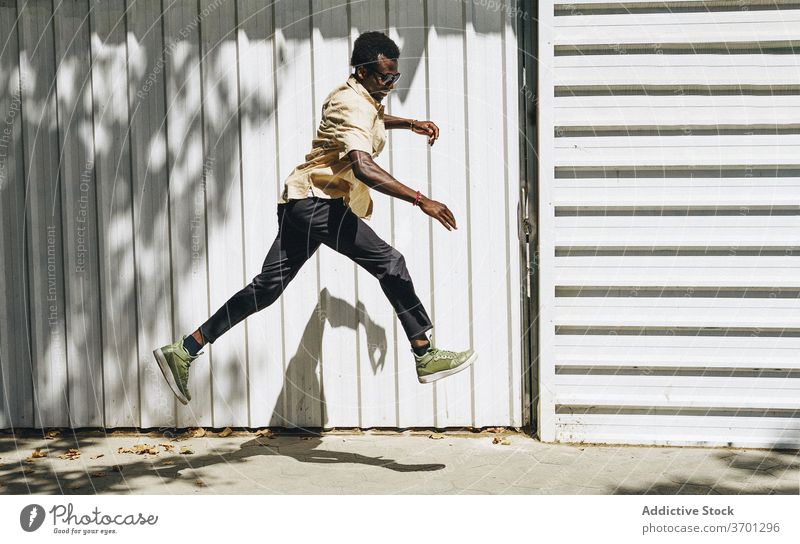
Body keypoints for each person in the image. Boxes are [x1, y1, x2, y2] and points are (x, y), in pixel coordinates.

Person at [153, 31, 476, 405]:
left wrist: (409, 123)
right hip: (319, 204)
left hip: (300, 203)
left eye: (395, 77)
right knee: (391, 263)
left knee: (267, 288)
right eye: (385, 77)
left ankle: (185, 348)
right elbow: (364, 167)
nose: (390, 85)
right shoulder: (351, 106)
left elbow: (373, 118)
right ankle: (425, 353)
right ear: (363, 71)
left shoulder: (361, 98)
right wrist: (421, 200)